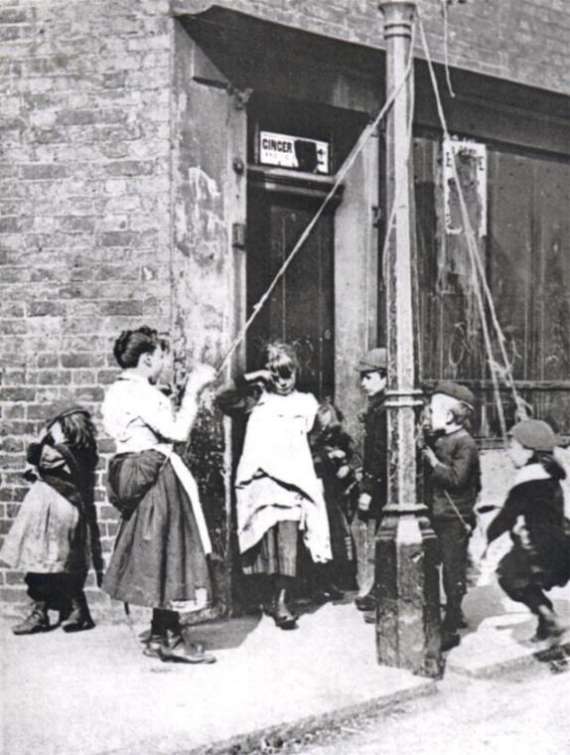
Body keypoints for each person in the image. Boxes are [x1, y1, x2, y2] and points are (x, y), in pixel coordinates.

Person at [101, 325, 217, 664]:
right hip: (159, 477)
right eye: (161, 356)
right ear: (148, 359)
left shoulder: (116, 392)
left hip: (133, 471)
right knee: (172, 551)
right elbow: (178, 432)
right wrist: (195, 390)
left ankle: (157, 633)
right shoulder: (146, 395)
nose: (164, 362)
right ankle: (171, 638)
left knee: (157, 552)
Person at [216, 342, 332, 630]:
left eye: (287, 374)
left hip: (292, 483)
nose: (282, 381)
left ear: (296, 372)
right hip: (262, 483)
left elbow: (319, 436)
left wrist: (313, 470)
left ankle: (282, 600)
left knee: (288, 543)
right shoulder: (257, 400)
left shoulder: (305, 402)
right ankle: (265, 596)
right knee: (262, 542)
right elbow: (222, 398)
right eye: (276, 374)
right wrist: (251, 377)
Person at [1, 403, 101, 635]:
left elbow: (35, 455)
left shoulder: (60, 450)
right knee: (60, 560)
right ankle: (73, 612)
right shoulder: (84, 448)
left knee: (43, 559)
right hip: (60, 504)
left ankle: (44, 614)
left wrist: (42, 438)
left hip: (53, 504)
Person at [486, 419, 570, 643]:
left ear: (528, 450)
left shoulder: (527, 480)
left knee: (508, 577)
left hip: (536, 547)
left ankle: (548, 616)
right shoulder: (548, 475)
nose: (508, 451)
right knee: (526, 582)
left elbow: (507, 516)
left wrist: (489, 538)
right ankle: (546, 624)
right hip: (557, 543)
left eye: (513, 446)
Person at [422, 381, 481, 651]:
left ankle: (453, 615)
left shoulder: (465, 443)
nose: (427, 415)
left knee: (452, 567)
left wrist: (432, 461)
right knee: (435, 564)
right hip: (436, 513)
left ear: (448, 416)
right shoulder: (439, 438)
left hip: (454, 517)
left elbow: (458, 479)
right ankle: (442, 610)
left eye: (431, 411)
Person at [309, 400, 359, 599]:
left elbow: (354, 457)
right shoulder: (310, 440)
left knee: (336, 538)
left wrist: (347, 464)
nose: (325, 428)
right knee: (318, 538)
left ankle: (333, 581)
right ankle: (318, 585)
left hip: (335, 493)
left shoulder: (342, 437)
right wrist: (328, 455)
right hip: (317, 491)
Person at [353, 347, 388, 616]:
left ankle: (381, 593)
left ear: (385, 377)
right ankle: (379, 590)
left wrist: (368, 488)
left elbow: (378, 453)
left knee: (384, 538)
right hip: (383, 483)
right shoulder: (378, 407)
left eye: (368, 376)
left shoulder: (382, 410)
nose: (363, 383)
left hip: (383, 486)